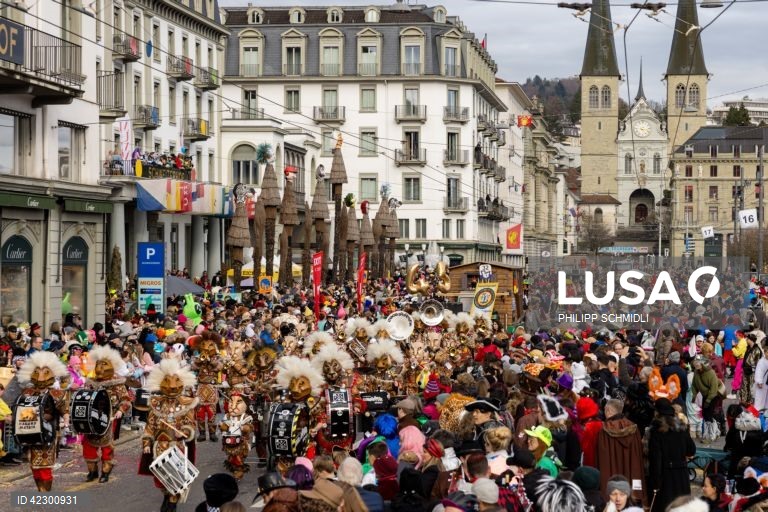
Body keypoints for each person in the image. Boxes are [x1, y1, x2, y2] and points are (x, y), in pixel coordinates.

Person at [647, 398, 696, 512]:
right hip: (682, 475)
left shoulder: (656, 431)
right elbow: (691, 450)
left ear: (657, 412)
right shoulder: (681, 428)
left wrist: (655, 483)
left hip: (666, 478)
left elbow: (656, 460)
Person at [596, 399, 646, 506]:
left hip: (613, 482)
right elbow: (637, 455)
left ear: (609, 410)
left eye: (605, 410)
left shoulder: (604, 431)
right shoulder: (633, 428)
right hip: (631, 476)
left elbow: (603, 459)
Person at [755, 339, 768, 413]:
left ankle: (766, 412)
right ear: (765, 352)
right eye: (767, 352)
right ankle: (758, 412)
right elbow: (758, 372)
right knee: (760, 398)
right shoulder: (761, 361)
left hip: (767, 383)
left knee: (766, 399)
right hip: (762, 383)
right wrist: (759, 381)